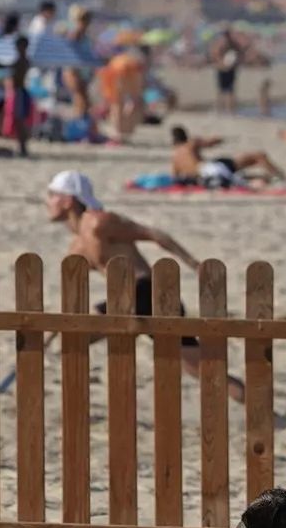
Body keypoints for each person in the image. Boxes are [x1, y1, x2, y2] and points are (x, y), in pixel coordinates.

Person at [45, 171, 243, 401]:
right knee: (200, 368)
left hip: (149, 292)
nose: (47, 201)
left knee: (202, 369)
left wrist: (193, 263)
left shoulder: (100, 222)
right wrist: (54, 329)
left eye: (52, 195)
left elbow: (154, 234)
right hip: (128, 299)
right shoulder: (77, 246)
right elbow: (74, 293)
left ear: (68, 200)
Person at [170, 125, 286, 187]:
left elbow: (175, 177)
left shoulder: (175, 159)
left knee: (239, 176)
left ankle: (269, 178)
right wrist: (219, 139)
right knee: (259, 156)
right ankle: (279, 176)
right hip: (211, 167)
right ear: (186, 135)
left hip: (205, 177)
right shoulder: (191, 143)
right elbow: (210, 142)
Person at [0, 36, 33, 157]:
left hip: (19, 92)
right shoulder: (23, 60)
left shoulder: (21, 61)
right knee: (19, 121)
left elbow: (10, 70)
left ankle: (23, 147)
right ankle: (22, 147)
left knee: (20, 121)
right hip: (19, 92)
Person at [210, 26, 246, 114]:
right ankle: (221, 110)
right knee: (223, 91)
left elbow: (240, 53)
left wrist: (236, 62)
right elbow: (215, 55)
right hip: (223, 69)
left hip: (230, 68)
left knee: (229, 91)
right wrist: (222, 63)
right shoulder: (221, 43)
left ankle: (230, 110)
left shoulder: (232, 44)